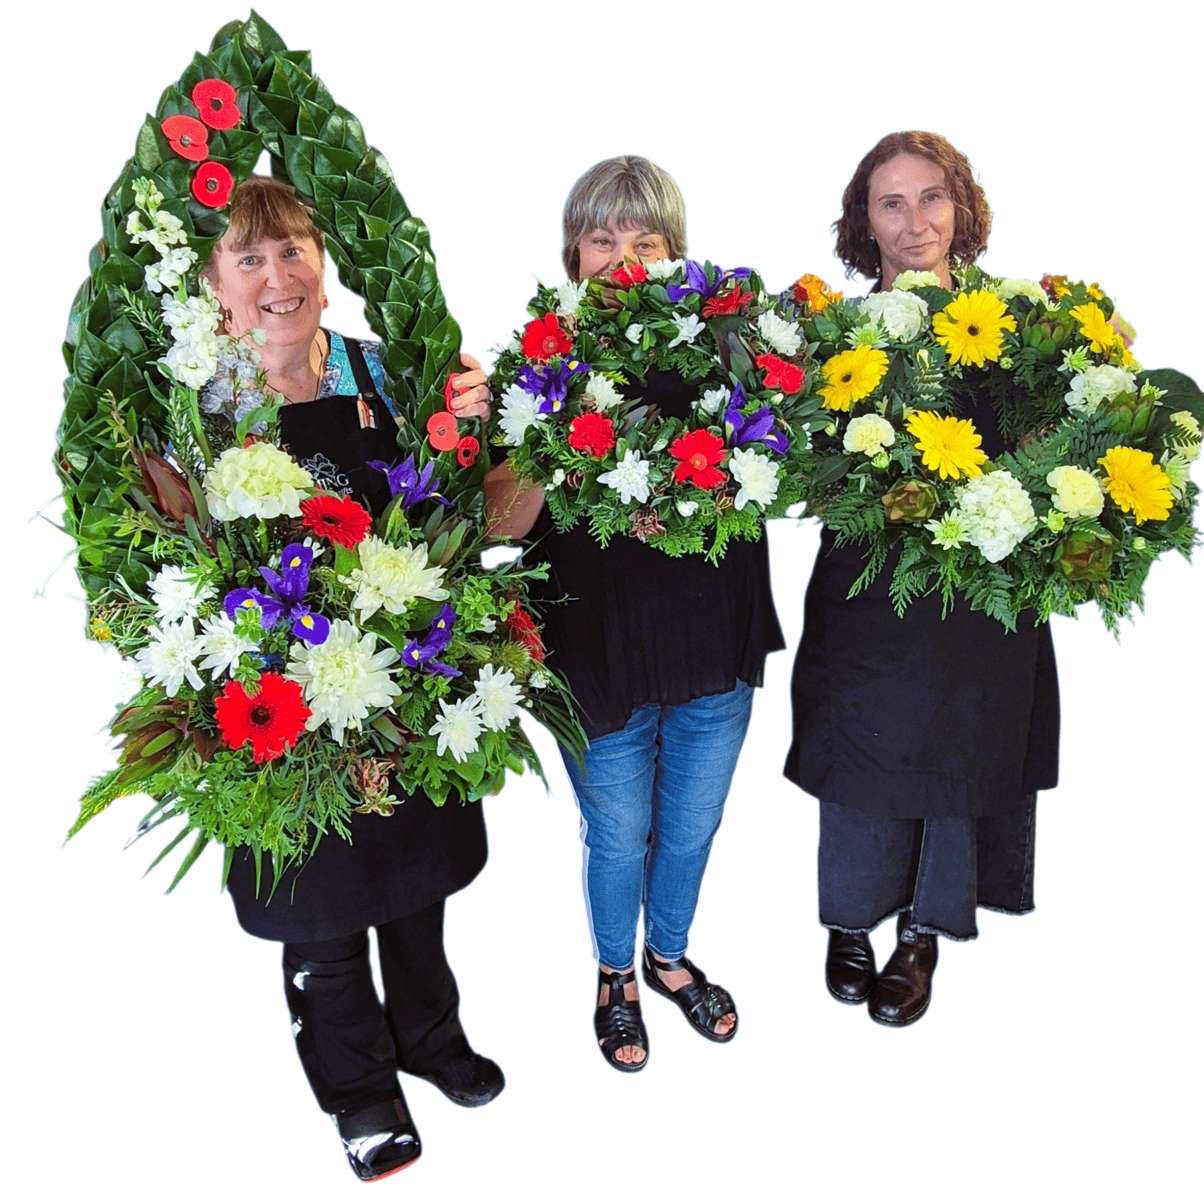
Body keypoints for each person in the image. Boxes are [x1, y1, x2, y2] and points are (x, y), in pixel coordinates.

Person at [205, 177, 500, 1180]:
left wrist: (475, 414)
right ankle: (359, 1084)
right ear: (215, 287)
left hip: (397, 669)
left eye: (293, 251)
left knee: (417, 886)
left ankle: (428, 1033)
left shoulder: (382, 372)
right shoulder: (200, 402)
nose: (277, 277)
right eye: (249, 259)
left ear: (325, 270)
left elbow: (462, 500)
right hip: (281, 697)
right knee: (321, 909)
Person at [486, 156, 784, 1070]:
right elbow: (499, 523)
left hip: (711, 636)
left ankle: (668, 957)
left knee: (692, 825)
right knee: (618, 833)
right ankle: (615, 972)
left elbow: (780, 464)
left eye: (645, 240)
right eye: (603, 237)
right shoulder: (532, 362)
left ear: (673, 253)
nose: (623, 257)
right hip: (595, 647)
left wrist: (702, 492)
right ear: (573, 254)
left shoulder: (726, 345)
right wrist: (544, 438)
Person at [783, 131, 1060, 1026]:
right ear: (863, 221)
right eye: (890, 203)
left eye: (931, 198)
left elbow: (1052, 449)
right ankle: (852, 924)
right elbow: (803, 462)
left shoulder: (1018, 325)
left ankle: (923, 935)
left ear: (962, 207)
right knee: (862, 746)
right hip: (870, 591)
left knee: (961, 750)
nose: (914, 222)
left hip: (985, 594)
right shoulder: (832, 332)